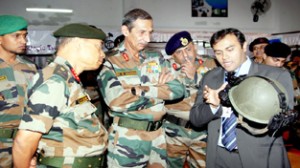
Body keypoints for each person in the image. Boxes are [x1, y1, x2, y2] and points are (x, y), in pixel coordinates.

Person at [190, 28, 294, 168]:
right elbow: (195, 119)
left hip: (261, 157)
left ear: (244, 46)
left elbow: (284, 122)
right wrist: (213, 106)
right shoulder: (211, 77)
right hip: (219, 157)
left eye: (230, 49)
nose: (224, 57)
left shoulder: (275, 75)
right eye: (218, 52)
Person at [97, 8, 185, 168]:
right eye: (142, 32)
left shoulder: (156, 58)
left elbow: (179, 90)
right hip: (127, 139)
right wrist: (160, 90)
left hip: (158, 136)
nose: (147, 38)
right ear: (125, 30)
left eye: (150, 32)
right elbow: (116, 101)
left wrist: (139, 90)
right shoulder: (110, 62)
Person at [12, 23, 108, 168]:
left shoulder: (67, 78)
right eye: (98, 46)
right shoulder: (56, 82)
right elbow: (24, 142)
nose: (103, 53)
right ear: (78, 44)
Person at [163, 31, 216, 168]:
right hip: (173, 132)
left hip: (203, 132)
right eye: (179, 52)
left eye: (188, 49)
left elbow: (217, 94)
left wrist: (195, 77)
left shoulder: (211, 65)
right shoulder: (165, 68)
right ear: (173, 56)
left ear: (195, 47)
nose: (186, 55)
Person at [0, 15, 37, 168]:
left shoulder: (29, 68)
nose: (24, 41)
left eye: (25, 35)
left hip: (25, 141)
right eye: (17, 36)